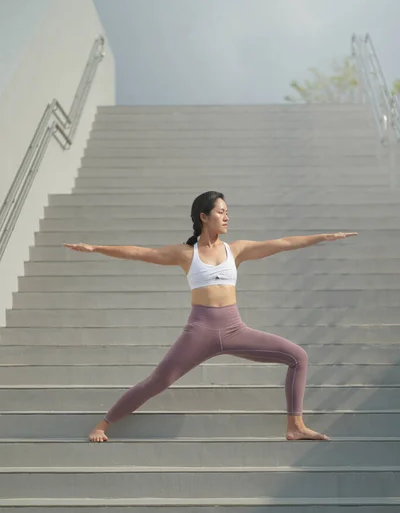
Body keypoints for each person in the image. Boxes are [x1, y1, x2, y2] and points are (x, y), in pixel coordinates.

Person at [64, 190, 358, 443]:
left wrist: (323, 237)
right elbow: (141, 252)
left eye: (228, 212)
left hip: (234, 329)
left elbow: (282, 242)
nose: (227, 217)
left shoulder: (237, 250)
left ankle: (295, 426)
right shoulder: (185, 254)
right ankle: (104, 423)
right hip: (200, 331)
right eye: (221, 212)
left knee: (298, 357)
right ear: (204, 216)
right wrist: (96, 248)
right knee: (158, 381)